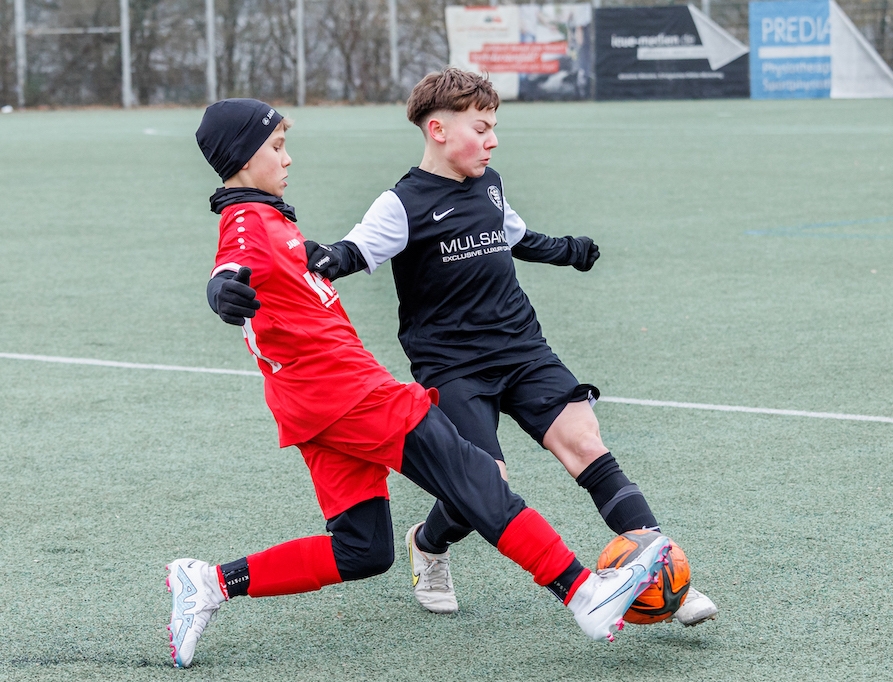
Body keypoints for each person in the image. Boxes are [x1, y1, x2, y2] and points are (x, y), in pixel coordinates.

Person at [170, 97, 672, 669]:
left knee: (363, 550)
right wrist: (221, 293)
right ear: (243, 158)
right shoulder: (247, 220)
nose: (288, 159)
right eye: (277, 147)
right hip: (349, 394)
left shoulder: (269, 215)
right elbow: (229, 268)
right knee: (476, 476)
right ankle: (583, 594)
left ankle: (208, 583)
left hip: (311, 407)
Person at [299, 68, 717, 626]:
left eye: (494, 127)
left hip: (522, 347)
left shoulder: (490, 185)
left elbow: (516, 237)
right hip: (453, 366)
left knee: (584, 443)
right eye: (482, 128)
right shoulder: (403, 203)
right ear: (438, 130)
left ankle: (666, 574)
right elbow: (353, 251)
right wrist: (320, 258)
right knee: (486, 481)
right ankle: (428, 543)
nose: (493, 140)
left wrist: (570, 250)